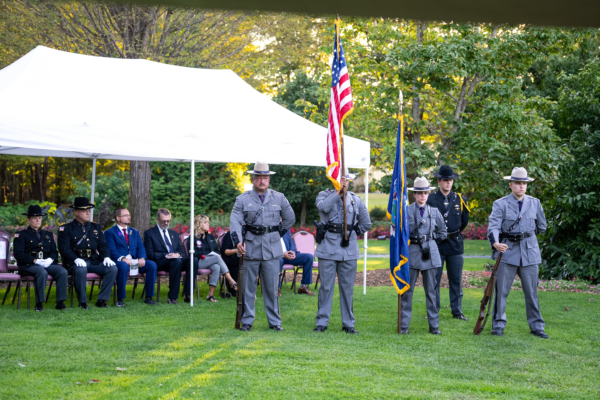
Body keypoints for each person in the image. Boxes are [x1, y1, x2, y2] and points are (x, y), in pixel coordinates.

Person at [230, 161, 295, 332]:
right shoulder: (242, 199)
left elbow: (290, 218)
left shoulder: (279, 198)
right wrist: (238, 241)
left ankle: (275, 322)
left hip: (272, 249)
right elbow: (235, 221)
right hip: (250, 248)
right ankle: (247, 321)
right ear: (253, 179)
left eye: (265, 177)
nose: (262, 181)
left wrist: (276, 234)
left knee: (271, 289)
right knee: (248, 288)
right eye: (259, 177)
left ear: (269, 179)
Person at [488, 167, 548, 338]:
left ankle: (537, 327)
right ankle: (498, 325)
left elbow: (541, 226)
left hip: (530, 252)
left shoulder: (535, 203)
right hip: (507, 251)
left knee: (532, 292)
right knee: (502, 292)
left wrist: (526, 235)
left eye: (524, 183)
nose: (521, 186)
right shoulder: (500, 204)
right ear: (511, 184)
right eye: (518, 183)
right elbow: (493, 227)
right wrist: (496, 243)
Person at [314, 169, 371, 334]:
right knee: (326, 287)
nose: (344, 182)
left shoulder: (356, 200)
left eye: (345, 180)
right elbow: (323, 208)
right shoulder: (324, 195)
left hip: (348, 248)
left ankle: (348, 324)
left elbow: (366, 224)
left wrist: (351, 233)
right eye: (340, 179)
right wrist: (338, 192)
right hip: (328, 247)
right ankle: (322, 322)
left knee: (347, 288)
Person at [400, 177, 447, 335]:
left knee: (431, 292)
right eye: (419, 193)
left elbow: (443, 232)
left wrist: (432, 243)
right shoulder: (406, 212)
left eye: (425, 193)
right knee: (407, 292)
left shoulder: (434, 212)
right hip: (411, 254)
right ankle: (404, 326)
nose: (422, 196)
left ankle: (434, 326)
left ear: (428, 194)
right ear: (414, 195)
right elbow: (400, 233)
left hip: (430, 254)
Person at [57, 197, 117, 309]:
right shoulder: (66, 228)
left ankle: (102, 300)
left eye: (88, 210)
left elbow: (103, 245)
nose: (88, 213)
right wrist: (75, 259)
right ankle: (82, 303)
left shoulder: (96, 227)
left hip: (93, 260)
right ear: (76, 212)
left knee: (112, 269)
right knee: (80, 270)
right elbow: (64, 248)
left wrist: (106, 257)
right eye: (85, 211)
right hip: (76, 261)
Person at [427, 165, 469, 321]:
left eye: (450, 180)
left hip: (455, 244)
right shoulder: (430, 200)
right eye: (445, 180)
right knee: (434, 280)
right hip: (436, 244)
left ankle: (457, 311)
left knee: (456, 279)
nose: (448, 183)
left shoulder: (461, 200)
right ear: (439, 181)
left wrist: (452, 232)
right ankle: (433, 311)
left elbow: (464, 221)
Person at [13, 205, 68, 311]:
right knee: (41, 272)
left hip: (45, 263)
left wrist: (50, 260)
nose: (38, 220)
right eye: (34, 218)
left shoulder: (48, 234)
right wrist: (35, 260)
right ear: (28, 219)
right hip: (28, 265)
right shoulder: (21, 235)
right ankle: (39, 304)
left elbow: (54, 252)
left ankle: (60, 303)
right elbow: (18, 254)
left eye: (39, 217)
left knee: (63, 271)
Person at [104, 207, 157, 307]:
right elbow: (111, 250)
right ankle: (120, 299)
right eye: (126, 215)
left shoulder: (134, 232)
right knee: (123, 267)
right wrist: (123, 258)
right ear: (118, 218)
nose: (129, 217)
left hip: (135, 261)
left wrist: (142, 257)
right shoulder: (109, 233)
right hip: (120, 262)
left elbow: (141, 247)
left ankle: (149, 297)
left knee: (151, 265)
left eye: (129, 215)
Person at [144, 208, 196, 304]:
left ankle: (188, 295)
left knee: (193, 260)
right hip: (160, 261)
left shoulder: (174, 233)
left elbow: (181, 251)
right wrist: (167, 255)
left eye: (168, 221)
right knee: (176, 261)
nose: (166, 223)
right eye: (164, 221)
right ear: (157, 219)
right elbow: (149, 254)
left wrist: (178, 254)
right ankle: (172, 297)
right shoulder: (149, 233)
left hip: (175, 260)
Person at [186, 214, 237, 302]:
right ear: (199, 224)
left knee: (216, 267)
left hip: (210, 260)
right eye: (205, 222)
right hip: (198, 261)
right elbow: (194, 252)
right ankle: (231, 281)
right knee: (217, 259)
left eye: (208, 222)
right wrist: (206, 256)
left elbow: (217, 250)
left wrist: (212, 255)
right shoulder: (193, 237)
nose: (208, 224)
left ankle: (210, 295)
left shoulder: (210, 237)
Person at [279, 229, 315, 296]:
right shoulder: (270, 229)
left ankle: (303, 286)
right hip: (278, 256)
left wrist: (293, 252)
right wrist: (281, 254)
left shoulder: (285, 229)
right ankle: (277, 288)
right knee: (279, 261)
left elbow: (291, 243)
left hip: (289, 255)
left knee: (309, 257)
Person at [219, 231, 240, 296]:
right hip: (231, 259)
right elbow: (225, 251)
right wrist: (236, 251)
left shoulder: (246, 233)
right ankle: (235, 286)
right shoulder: (229, 234)